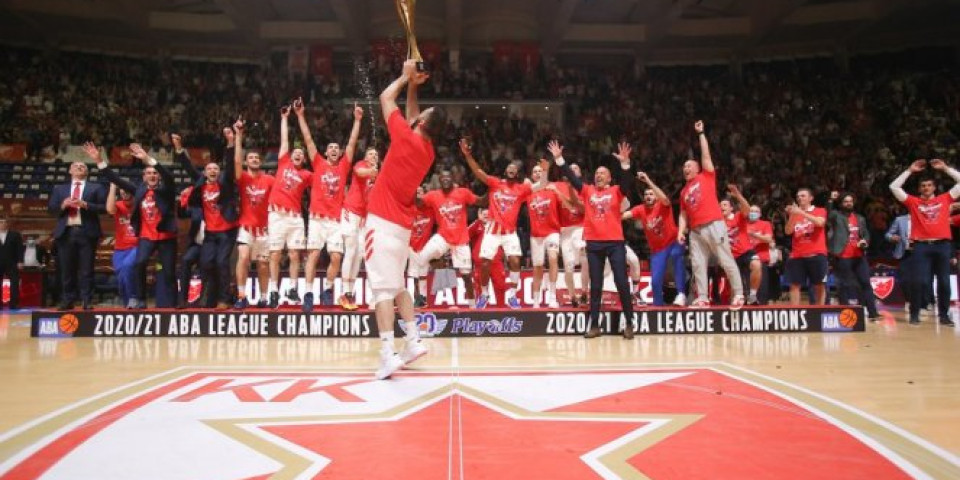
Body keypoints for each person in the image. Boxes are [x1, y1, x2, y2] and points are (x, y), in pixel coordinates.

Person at [366, 59, 444, 380]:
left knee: (382, 292)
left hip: (381, 223)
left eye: (421, 116)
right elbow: (413, 116)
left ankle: (388, 353)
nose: (418, 115)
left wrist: (402, 76)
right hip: (401, 229)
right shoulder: (428, 151)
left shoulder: (405, 137)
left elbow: (385, 98)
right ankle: (412, 340)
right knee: (399, 286)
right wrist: (413, 85)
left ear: (422, 124)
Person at [550, 139, 636, 339]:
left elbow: (626, 181)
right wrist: (559, 159)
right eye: (596, 173)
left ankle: (629, 323)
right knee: (594, 285)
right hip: (594, 243)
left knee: (622, 282)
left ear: (609, 178)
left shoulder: (616, 191)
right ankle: (595, 325)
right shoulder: (587, 191)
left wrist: (625, 164)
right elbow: (573, 178)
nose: (598, 176)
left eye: (602, 174)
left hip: (615, 242)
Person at [460, 140, 547, 309]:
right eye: (509, 168)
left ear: (517, 173)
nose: (511, 170)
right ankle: (484, 294)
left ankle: (512, 295)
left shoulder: (521, 189)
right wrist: (468, 155)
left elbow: (542, 184)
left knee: (515, 261)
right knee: (485, 262)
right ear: (505, 171)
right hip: (492, 230)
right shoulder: (495, 183)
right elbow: (478, 172)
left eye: (515, 169)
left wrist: (545, 170)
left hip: (509, 232)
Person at [94, 142, 179, 308]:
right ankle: (140, 299)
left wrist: (148, 159)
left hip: (166, 236)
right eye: (148, 173)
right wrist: (99, 160)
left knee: (168, 272)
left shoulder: (167, 190)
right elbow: (115, 179)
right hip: (147, 236)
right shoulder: (139, 190)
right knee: (139, 263)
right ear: (144, 177)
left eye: (155, 173)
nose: (152, 175)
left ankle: (173, 303)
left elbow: (168, 176)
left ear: (158, 176)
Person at [299, 102, 360, 311]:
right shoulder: (318, 163)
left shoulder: (344, 166)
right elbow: (307, 139)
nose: (334, 150)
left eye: (337, 148)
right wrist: (300, 115)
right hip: (316, 218)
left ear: (339, 153)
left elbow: (351, 144)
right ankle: (308, 293)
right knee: (314, 255)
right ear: (325, 152)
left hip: (335, 220)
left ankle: (328, 289)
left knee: (336, 257)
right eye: (331, 148)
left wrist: (358, 121)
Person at [677, 120, 744, 308]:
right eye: (684, 167)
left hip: (714, 224)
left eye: (689, 166)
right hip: (695, 231)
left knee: (725, 259)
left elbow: (705, 156)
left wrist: (701, 134)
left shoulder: (706, 176)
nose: (686, 169)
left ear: (698, 168)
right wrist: (680, 231)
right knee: (698, 264)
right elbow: (683, 213)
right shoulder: (683, 191)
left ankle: (738, 294)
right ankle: (703, 298)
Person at [889, 158, 960, 326]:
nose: (926, 188)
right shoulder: (914, 202)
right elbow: (894, 187)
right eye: (923, 186)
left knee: (943, 282)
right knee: (918, 281)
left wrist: (946, 169)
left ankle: (944, 316)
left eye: (929, 185)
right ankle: (915, 314)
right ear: (919, 189)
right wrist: (909, 170)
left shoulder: (945, 199)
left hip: (942, 245)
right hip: (921, 246)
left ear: (934, 187)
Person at [187, 122, 240, 309]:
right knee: (206, 263)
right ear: (205, 172)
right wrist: (179, 150)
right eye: (209, 169)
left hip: (227, 230)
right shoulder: (200, 187)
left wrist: (230, 142)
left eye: (216, 169)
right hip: (210, 233)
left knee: (221, 262)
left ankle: (224, 299)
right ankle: (210, 295)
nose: (213, 171)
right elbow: (188, 167)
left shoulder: (224, 182)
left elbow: (230, 164)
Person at [266, 102, 313, 308]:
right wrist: (284, 118)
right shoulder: (283, 162)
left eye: (301, 154)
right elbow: (284, 140)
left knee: (295, 254)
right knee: (275, 254)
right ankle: (274, 290)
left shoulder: (307, 175)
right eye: (296, 152)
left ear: (304, 159)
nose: (298, 154)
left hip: (295, 217)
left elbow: (322, 182)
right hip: (276, 215)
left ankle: (293, 289)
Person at [48, 155, 106, 310]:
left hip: (87, 232)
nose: (80, 167)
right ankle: (68, 300)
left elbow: (104, 208)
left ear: (87, 172)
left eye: (83, 166)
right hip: (65, 232)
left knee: (87, 269)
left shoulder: (96, 187)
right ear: (70, 170)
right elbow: (51, 209)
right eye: (76, 165)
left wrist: (86, 204)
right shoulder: (59, 189)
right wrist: (62, 205)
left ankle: (87, 300)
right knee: (66, 269)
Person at [416, 170, 481, 307]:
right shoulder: (434, 195)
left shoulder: (463, 192)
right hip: (443, 237)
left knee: (466, 276)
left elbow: (480, 201)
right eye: (442, 178)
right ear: (439, 180)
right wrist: (408, 188)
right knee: (421, 258)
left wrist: (493, 190)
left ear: (453, 179)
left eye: (448, 177)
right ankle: (421, 298)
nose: (445, 179)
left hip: (461, 240)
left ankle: (472, 306)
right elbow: (419, 203)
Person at [622, 171, 686, 307]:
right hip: (657, 250)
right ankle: (658, 307)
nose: (648, 196)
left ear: (656, 196)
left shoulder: (663, 204)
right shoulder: (641, 209)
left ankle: (681, 295)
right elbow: (624, 215)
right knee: (655, 282)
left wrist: (648, 181)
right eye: (646, 195)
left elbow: (664, 198)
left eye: (651, 194)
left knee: (677, 258)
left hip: (673, 243)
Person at [233, 119, 274, 309]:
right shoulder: (243, 178)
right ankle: (242, 295)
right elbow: (236, 160)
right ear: (247, 162)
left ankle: (264, 297)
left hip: (265, 229)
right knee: (243, 258)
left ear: (261, 161)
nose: (254, 160)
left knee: (263, 265)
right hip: (246, 226)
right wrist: (238, 136)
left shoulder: (269, 179)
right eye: (251, 158)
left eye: (257, 158)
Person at [826, 191, 880, 321]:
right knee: (845, 285)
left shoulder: (860, 218)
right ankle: (845, 312)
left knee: (866, 283)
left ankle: (873, 313)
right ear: (841, 204)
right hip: (842, 255)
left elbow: (866, 234)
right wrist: (830, 200)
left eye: (850, 201)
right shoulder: (836, 216)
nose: (848, 203)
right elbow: (827, 214)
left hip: (859, 255)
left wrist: (865, 242)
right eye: (845, 201)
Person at [340, 141, 380, 311]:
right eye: (371, 154)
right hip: (350, 211)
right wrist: (372, 171)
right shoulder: (361, 165)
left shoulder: (378, 176)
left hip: (364, 217)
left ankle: (351, 292)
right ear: (365, 157)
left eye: (376, 155)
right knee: (350, 250)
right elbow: (360, 172)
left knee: (360, 255)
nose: (373, 157)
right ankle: (344, 293)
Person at [784, 188, 829, 305]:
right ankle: (795, 314)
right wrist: (793, 215)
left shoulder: (820, 210)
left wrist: (802, 213)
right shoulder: (795, 214)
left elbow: (820, 223)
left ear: (811, 198)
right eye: (798, 196)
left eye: (803, 196)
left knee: (819, 285)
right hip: (797, 255)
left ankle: (819, 311)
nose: (800, 198)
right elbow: (788, 231)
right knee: (794, 285)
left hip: (816, 253)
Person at [528, 163, 562, 308]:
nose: (537, 173)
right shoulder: (528, 191)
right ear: (531, 175)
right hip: (536, 235)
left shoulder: (553, 188)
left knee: (553, 258)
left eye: (540, 171)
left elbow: (565, 204)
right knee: (538, 267)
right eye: (534, 171)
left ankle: (552, 297)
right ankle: (536, 300)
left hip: (552, 231)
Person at [722, 185, 763, 305]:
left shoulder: (738, 216)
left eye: (724, 205)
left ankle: (753, 296)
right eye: (720, 206)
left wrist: (738, 195)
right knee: (734, 294)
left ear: (731, 208)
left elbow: (748, 209)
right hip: (730, 257)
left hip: (746, 252)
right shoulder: (717, 222)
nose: (721, 207)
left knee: (756, 265)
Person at [556, 163, 588, 307]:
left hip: (580, 228)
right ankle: (572, 296)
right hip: (565, 231)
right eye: (571, 168)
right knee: (568, 266)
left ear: (580, 174)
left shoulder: (585, 189)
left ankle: (585, 292)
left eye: (576, 168)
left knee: (584, 258)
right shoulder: (559, 186)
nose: (573, 170)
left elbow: (579, 209)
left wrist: (560, 193)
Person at [105, 183, 139, 308]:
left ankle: (133, 297)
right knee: (121, 276)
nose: (124, 193)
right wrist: (113, 187)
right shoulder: (119, 205)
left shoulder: (139, 204)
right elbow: (109, 209)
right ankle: (127, 304)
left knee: (127, 267)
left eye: (127, 190)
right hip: (120, 248)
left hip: (137, 245)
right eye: (122, 191)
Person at [468, 208, 508, 305]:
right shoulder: (476, 225)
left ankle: (502, 312)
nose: (486, 216)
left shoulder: (498, 225)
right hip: (480, 264)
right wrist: (478, 221)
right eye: (483, 214)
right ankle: (482, 315)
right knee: (480, 290)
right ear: (479, 214)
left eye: (488, 214)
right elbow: (465, 234)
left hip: (496, 263)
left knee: (500, 287)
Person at [407, 186, 435, 306]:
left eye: (420, 192)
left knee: (423, 273)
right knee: (414, 274)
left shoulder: (430, 210)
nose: (418, 193)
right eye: (416, 191)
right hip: (411, 246)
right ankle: (415, 296)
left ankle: (423, 297)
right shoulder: (409, 209)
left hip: (425, 246)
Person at [746, 205, 776, 304]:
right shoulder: (743, 224)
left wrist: (754, 234)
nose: (753, 213)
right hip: (745, 260)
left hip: (761, 260)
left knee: (761, 293)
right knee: (746, 291)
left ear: (760, 214)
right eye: (751, 211)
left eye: (756, 211)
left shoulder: (765, 224)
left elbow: (768, 239)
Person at [0, 216, 25, 309]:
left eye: (4, 222)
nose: (2, 224)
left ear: (7, 223)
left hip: (12, 263)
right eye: (0, 222)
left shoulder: (15, 235)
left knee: (14, 283)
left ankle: (14, 304)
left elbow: (20, 249)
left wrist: (20, 261)